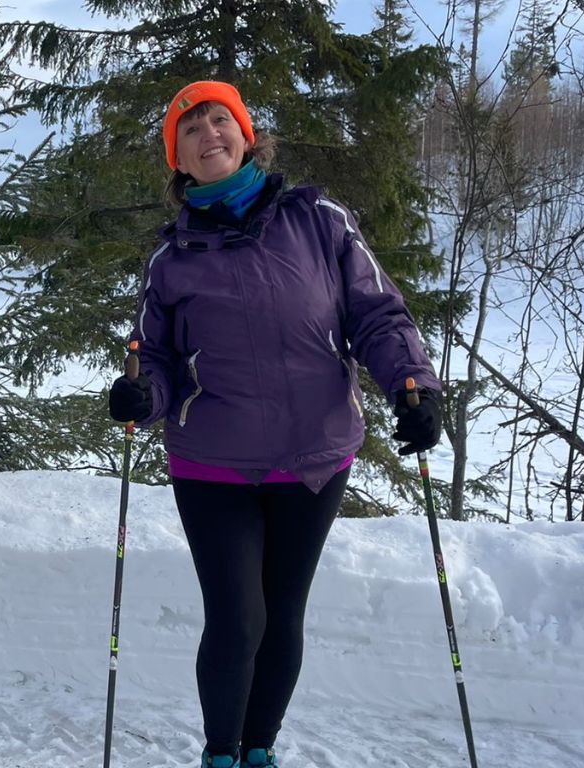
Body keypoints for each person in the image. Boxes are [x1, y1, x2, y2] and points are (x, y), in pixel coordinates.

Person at [106, 81, 443, 768]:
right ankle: (221, 755)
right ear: (180, 159)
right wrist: (145, 397)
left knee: (283, 615)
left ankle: (260, 751)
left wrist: (411, 386)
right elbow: (157, 359)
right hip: (212, 463)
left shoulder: (316, 217)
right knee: (238, 617)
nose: (209, 135)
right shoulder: (171, 261)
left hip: (312, 455)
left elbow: (377, 312)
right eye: (191, 129)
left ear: (246, 132)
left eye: (219, 119)